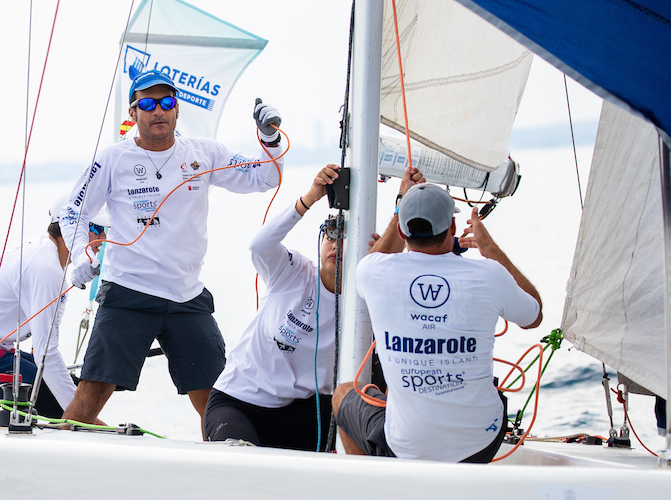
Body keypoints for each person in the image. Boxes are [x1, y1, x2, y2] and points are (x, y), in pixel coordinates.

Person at [59, 70, 285, 428]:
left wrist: (269, 136)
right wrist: (83, 255)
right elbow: (73, 211)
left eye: (167, 103)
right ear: (133, 114)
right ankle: (59, 470)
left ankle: (225, 475)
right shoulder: (113, 159)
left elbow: (264, 177)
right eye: (147, 104)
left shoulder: (204, 153)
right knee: (88, 402)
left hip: (186, 297)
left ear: (177, 110)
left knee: (218, 406)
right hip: (129, 292)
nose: (158, 111)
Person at [332, 171, 542, 463]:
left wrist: (401, 205)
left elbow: (372, 260)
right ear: (453, 226)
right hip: (481, 442)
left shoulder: (375, 271)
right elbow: (534, 314)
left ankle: (372, 485)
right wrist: (490, 249)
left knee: (343, 395)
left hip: (406, 447)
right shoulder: (490, 275)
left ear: (404, 232)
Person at [204, 164, 350, 451]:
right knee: (240, 466)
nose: (336, 245)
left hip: (305, 412)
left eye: (346, 238)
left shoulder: (364, 298)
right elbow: (260, 246)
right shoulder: (294, 271)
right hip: (241, 401)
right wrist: (308, 199)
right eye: (331, 235)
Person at [0, 198, 108, 418]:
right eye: (98, 229)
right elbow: (47, 353)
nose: (104, 238)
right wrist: (81, 414)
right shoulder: (46, 269)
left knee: (76, 389)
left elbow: (42, 351)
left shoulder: (43, 252)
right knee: (66, 407)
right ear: (71, 229)